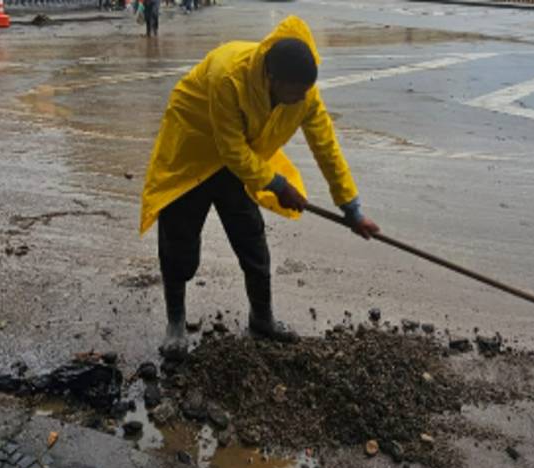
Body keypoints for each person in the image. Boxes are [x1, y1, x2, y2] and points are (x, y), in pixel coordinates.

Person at [139, 16, 380, 355]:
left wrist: (351, 208)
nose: (299, 100)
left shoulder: (304, 95)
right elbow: (230, 148)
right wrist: (277, 185)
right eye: (293, 93)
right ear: (271, 78)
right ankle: (176, 322)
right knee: (179, 242)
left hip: (239, 161)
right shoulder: (229, 76)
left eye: (304, 93)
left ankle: (262, 318)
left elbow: (326, 147)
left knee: (251, 237)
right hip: (192, 149)